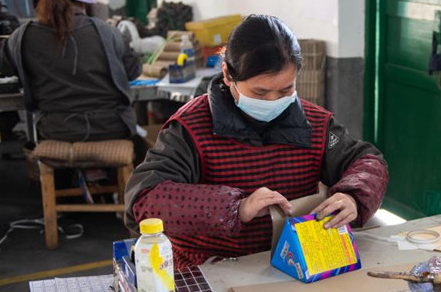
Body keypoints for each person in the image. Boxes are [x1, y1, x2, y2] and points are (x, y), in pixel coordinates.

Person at [125, 15, 389, 269]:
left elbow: (367, 161)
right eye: (260, 92)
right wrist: (235, 207)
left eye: (286, 90)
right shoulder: (190, 128)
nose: (273, 101)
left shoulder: (316, 124)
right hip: (211, 267)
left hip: (295, 263)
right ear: (228, 75)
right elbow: (145, 200)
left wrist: (354, 196)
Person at [3, 0, 141, 142]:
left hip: (56, 130)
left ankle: (64, 168)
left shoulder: (23, 36)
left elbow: (4, 66)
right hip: (111, 127)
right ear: (83, 2)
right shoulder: (108, 32)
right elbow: (132, 71)